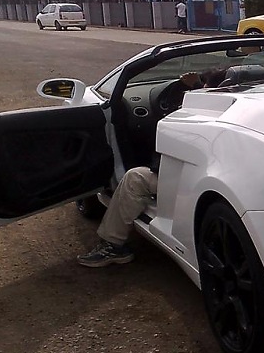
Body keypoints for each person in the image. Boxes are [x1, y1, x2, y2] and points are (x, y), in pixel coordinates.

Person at [77, 69, 225, 268]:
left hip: (192, 180)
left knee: (134, 178)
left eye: (205, 85)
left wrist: (192, 87)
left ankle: (113, 246)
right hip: (219, 178)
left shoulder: (208, 115)